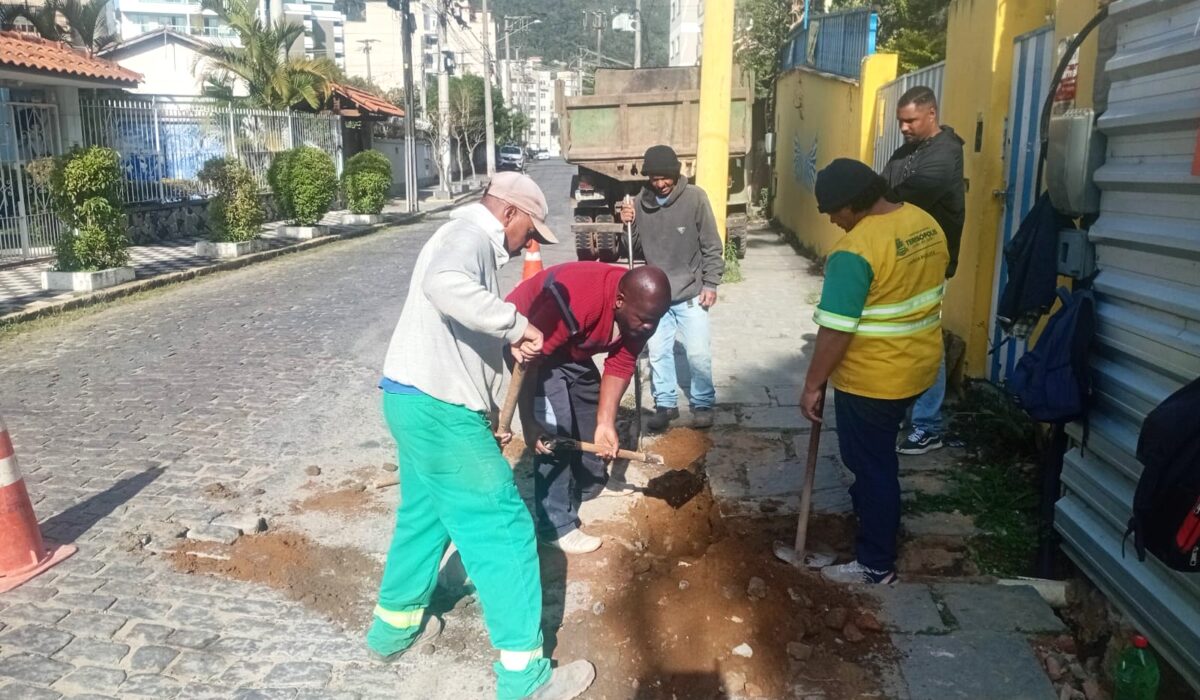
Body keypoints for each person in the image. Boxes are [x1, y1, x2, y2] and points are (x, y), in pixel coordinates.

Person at [368, 172, 595, 700]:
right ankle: (525, 677)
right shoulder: (468, 237)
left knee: (426, 517)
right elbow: (444, 286)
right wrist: (516, 325)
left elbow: (462, 331)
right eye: (529, 231)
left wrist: (497, 385)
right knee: (504, 528)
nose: (528, 243)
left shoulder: (465, 241)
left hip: (411, 401)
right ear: (509, 213)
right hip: (438, 408)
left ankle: (393, 629)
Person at [801, 159, 949, 585]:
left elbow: (835, 331)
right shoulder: (923, 223)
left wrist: (812, 385)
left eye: (833, 211)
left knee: (871, 465)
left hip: (874, 380)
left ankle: (875, 564)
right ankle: (869, 515)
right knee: (877, 459)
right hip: (918, 367)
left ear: (852, 204)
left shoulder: (854, 251)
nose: (832, 221)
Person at [507, 262, 672, 554]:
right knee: (554, 430)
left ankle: (589, 484)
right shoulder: (579, 300)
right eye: (645, 320)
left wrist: (605, 423)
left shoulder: (644, 310)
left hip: (570, 346)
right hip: (529, 344)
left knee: (590, 410)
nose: (650, 327)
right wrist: (530, 421)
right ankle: (555, 526)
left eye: (656, 320)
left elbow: (622, 361)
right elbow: (529, 361)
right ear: (619, 301)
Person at [881, 86, 965, 456]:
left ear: (931, 113)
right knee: (906, 335)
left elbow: (905, 197)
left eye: (911, 120)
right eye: (900, 121)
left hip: (930, 260)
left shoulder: (945, 152)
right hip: (904, 257)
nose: (904, 128)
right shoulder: (907, 151)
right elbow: (883, 186)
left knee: (925, 337)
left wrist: (877, 200)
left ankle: (928, 426)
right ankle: (910, 412)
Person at [618, 145, 725, 432]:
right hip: (655, 298)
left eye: (665, 177)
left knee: (698, 354)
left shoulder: (695, 198)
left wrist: (711, 282)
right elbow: (631, 247)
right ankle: (665, 405)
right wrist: (627, 224)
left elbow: (711, 244)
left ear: (675, 174)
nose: (660, 184)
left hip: (691, 293)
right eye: (654, 178)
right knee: (658, 353)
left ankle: (703, 404)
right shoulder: (640, 203)